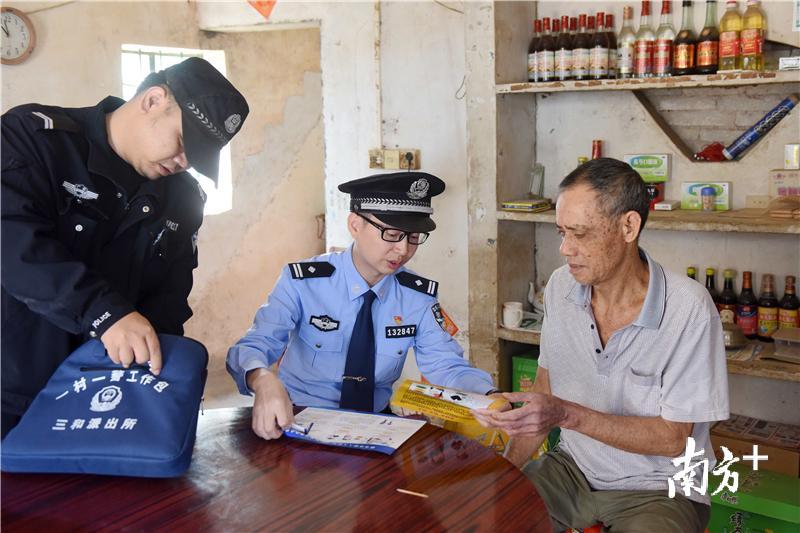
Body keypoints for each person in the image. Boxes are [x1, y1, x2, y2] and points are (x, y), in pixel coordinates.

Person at [473, 158, 729, 532]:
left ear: (629, 226)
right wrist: (503, 477)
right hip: (572, 471)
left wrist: (564, 415)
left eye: (580, 234)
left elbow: (674, 439)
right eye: (561, 232)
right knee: (487, 519)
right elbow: (546, 391)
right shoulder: (561, 288)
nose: (564, 248)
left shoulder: (688, 308)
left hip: (661, 488)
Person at [1, 57, 249, 438]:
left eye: (196, 158)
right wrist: (104, 312)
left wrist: (159, 380)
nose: (183, 162)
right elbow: (12, 242)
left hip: (104, 397)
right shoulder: (35, 139)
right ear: (153, 100)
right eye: (183, 142)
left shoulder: (183, 200)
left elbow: (168, 299)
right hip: (13, 389)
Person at [227, 171, 497, 440]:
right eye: (392, 234)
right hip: (298, 420)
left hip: (375, 428)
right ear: (355, 225)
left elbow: (446, 366)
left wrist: (490, 397)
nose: (403, 249)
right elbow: (254, 346)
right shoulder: (303, 283)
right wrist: (261, 379)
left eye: (414, 237)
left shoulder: (418, 297)